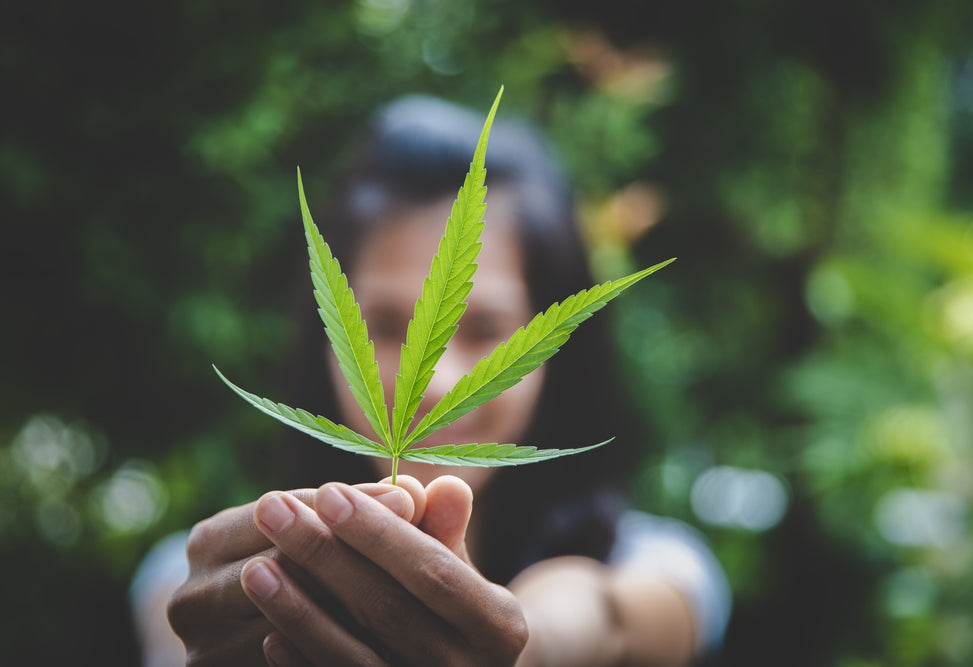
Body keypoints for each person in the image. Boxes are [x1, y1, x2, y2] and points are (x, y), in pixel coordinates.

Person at [133, 94, 730, 666]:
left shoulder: (659, 566)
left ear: (555, 349)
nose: (437, 381)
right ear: (326, 336)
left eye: (486, 329)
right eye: (385, 325)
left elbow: (608, 619)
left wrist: (524, 643)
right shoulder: (201, 578)